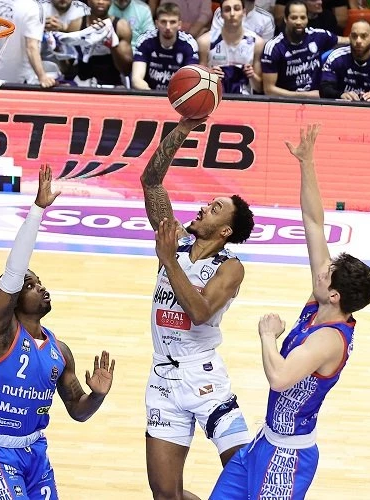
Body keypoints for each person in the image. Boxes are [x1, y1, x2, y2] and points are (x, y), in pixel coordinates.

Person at [209, 124, 370, 500]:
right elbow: (314, 223)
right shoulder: (323, 303)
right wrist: (307, 163)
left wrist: (267, 335)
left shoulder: (328, 340)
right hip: (264, 442)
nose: (319, 270)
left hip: (288, 457)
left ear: (334, 294)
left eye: (326, 273)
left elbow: (280, 377)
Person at [0, 165, 116, 499]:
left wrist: (97, 395)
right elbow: (13, 272)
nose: (41, 288)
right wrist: (37, 210)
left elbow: (78, 410)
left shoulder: (59, 352)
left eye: (40, 283)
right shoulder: (0, 335)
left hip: (35, 452)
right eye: (30, 285)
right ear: (13, 299)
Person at [140, 117, 256, 500]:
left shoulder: (230, 267)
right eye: (209, 203)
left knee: (247, 480)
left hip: (205, 379)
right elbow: (151, 181)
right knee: (165, 496)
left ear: (225, 231)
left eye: (216, 208)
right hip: (162, 378)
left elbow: (201, 312)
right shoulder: (173, 241)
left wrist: (168, 261)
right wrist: (184, 127)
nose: (205, 207)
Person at [320, 19, 370, 102]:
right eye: (354, 36)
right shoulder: (336, 57)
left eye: (364, 36)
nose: (358, 41)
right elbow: (324, 89)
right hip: (344, 106)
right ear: (349, 37)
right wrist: (341, 95)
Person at [198, 0, 265, 95]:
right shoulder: (205, 42)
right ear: (221, 14)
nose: (232, 14)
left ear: (244, 12)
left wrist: (252, 75)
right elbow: (199, 84)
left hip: (245, 99)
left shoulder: (257, 43)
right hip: (214, 98)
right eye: (227, 10)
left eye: (237, 9)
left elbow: (259, 88)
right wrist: (209, 77)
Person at [132, 2, 200, 90]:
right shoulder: (145, 41)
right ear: (156, 23)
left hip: (177, 96)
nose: (168, 27)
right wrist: (152, 95)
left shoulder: (189, 44)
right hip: (149, 93)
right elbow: (136, 79)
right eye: (163, 22)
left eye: (172, 22)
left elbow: (191, 81)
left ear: (179, 25)